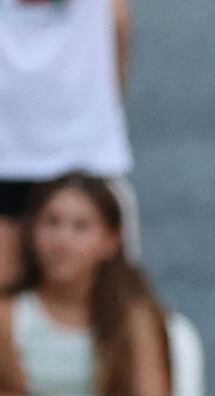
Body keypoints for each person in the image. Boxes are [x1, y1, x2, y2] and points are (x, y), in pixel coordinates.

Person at [0, 171, 167, 396]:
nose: (62, 241)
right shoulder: (8, 315)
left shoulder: (134, 317)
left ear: (111, 240)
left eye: (81, 227)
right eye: (52, 223)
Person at [0, 0, 132, 294]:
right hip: (75, 153)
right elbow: (121, 30)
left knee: (106, 300)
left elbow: (120, 27)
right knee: (107, 301)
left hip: (80, 159)